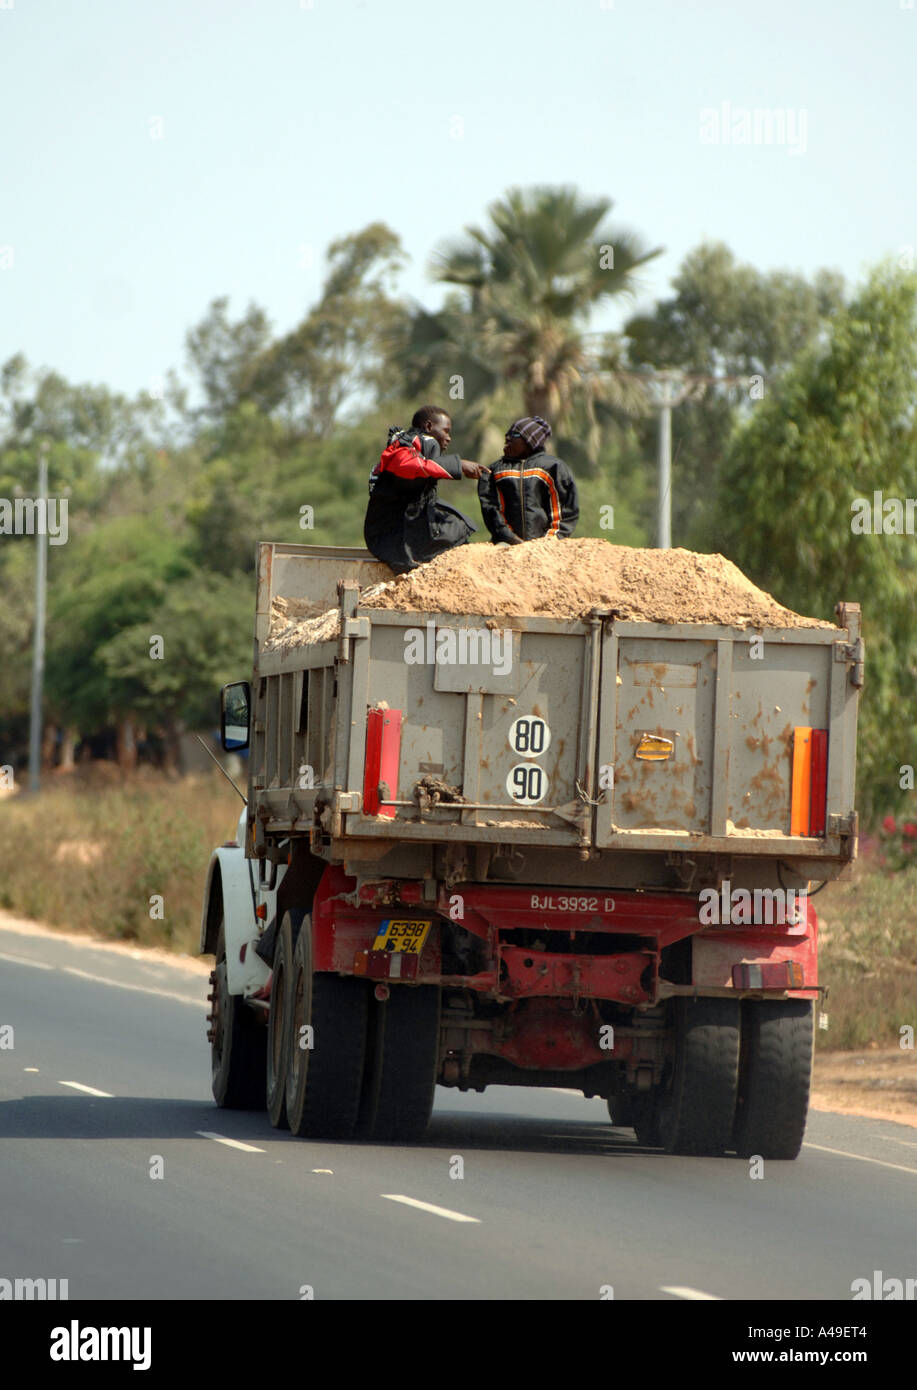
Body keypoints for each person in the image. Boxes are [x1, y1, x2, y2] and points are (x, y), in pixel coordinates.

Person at [364, 406, 485, 573]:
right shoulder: (415, 444)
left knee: (454, 522)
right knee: (454, 527)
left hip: (389, 533)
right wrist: (459, 465)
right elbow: (409, 466)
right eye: (446, 431)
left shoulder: (412, 445)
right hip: (391, 536)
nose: (449, 438)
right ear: (428, 427)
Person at [477, 415, 579, 545]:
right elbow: (490, 508)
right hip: (505, 546)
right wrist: (509, 538)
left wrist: (550, 541)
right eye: (507, 434)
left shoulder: (553, 468)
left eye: (514, 435)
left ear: (530, 441)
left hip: (548, 547)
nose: (507, 438)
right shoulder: (494, 470)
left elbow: (566, 510)